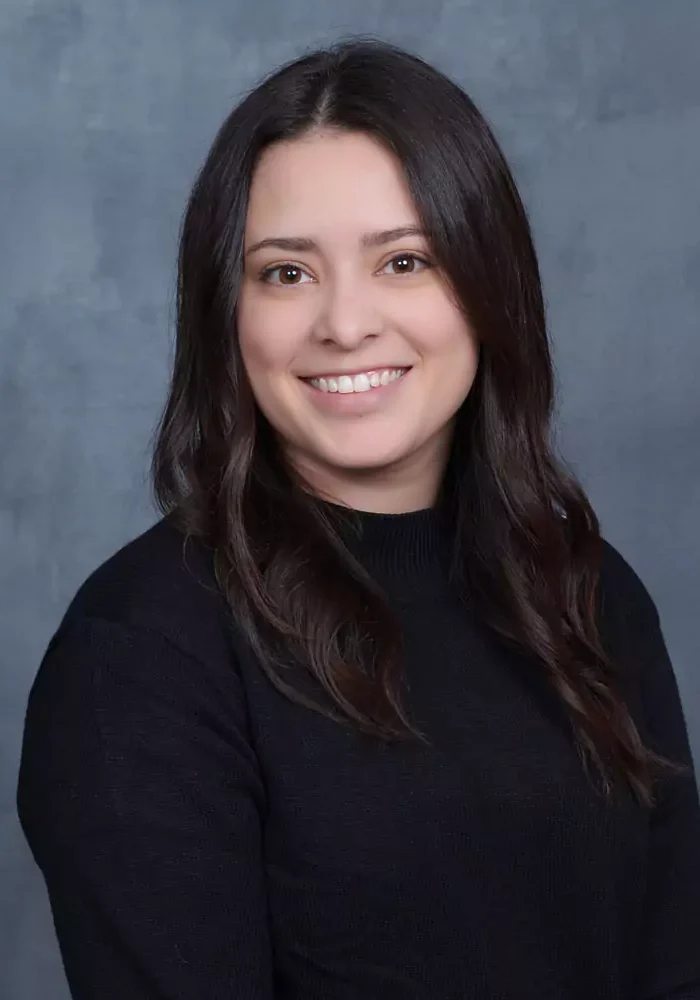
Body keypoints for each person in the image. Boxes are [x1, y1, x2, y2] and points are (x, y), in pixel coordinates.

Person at [16, 37, 700, 1000]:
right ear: (229, 314)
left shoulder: (585, 589)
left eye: (406, 261)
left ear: (487, 286)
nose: (345, 322)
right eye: (286, 274)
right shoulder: (141, 648)